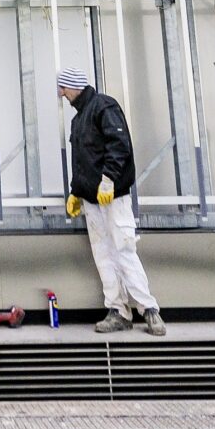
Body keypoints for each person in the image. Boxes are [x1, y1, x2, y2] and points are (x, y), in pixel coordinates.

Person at [57, 67, 166, 335]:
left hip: (113, 197)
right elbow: (82, 161)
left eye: (64, 87)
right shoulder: (79, 119)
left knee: (124, 248)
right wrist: (76, 191)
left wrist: (109, 180)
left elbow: (119, 145)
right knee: (103, 253)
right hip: (92, 200)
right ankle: (118, 311)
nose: (61, 93)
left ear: (74, 86)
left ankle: (149, 309)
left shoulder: (104, 107)